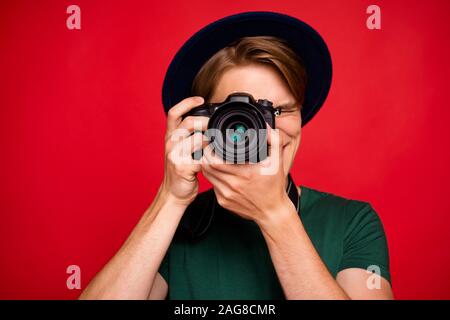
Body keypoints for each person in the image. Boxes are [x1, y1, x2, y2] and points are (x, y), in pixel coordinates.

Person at [79, 12, 393, 300]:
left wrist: (276, 216)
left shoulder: (351, 221)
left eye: (279, 110)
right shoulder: (175, 225)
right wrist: (170, 198)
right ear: (201, 121)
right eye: (241, 114)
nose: (265, 130)